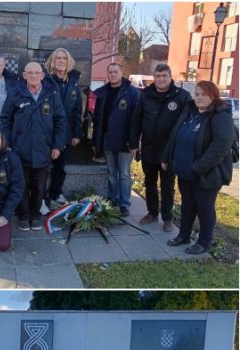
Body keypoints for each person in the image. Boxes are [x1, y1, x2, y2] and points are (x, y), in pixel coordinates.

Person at [162, 81, 237, 255]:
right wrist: (167, 157)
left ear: (213, 96)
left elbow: (221, 146)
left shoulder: (220, 116)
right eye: (197, 94)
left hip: (206, 174)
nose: (200, 98)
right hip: (185, 171)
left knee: (204, 207)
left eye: (204, 94)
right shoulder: (190, 111)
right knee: (187, 205)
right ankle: (184, 235)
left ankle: (205, 242)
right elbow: (175, 135)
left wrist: (198, 167)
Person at [0, 61, 65, 231]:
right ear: (24, 75)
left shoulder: (52, 94)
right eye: (30, 73)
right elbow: (5, 119)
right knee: (22, 184)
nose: (34, 76)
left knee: (39, 185)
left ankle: (35, 215)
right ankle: (23, 215)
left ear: (43, 76)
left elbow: (60, 120)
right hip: (20, 150)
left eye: (37, 73)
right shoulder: (16, 93)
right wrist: (7, 144)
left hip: (44, 150)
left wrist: (57, 145)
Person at [129, 64, 191, 231]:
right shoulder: (145, 95)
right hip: (149, 149)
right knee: (149, 183)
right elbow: (136, 120)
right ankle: (152, 212)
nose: (161, 79)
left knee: (168, 185)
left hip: (169, 151)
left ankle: (167, 218)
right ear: (154, 77)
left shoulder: (182, 96)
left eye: (164, 76)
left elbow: (187, 124)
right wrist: (134, 144)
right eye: (158, 76)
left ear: (170, 77)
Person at [91, 63, 141, 216]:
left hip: (125, 141)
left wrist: (133, 142)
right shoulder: (102, 92)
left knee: (124, 174)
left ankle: (124, 204)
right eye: (110, 72)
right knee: (112, 173)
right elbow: (97, 120)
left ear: (122, 72)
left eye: (115, 72)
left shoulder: (132, 93)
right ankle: (113, 199)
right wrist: (96, 141)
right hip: (108, 140)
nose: (112, 74)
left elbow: (137, 119)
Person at [43, 47, 85, 206]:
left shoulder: (73, 82)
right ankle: (40, 198)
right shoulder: (45, 80)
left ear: (69, 62)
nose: (61, 61)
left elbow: (77, 110)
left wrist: (76, 134)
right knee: (42, 168)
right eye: (58, 58)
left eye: (64, 58)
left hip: (65, 133)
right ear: (53, 61)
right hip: (46, 132)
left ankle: (55, 194)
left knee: (60, 167)